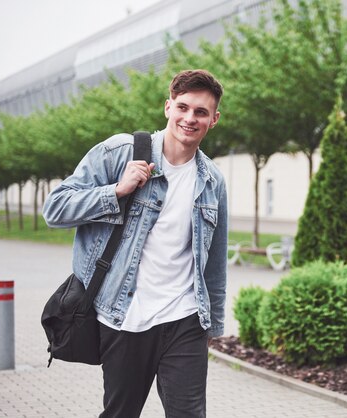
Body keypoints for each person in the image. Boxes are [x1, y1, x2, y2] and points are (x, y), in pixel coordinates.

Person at [43, 69, 227, 418]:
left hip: (185, 319)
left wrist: (211, 326)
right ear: (168, 107)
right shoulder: (118, 152)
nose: (190, 118)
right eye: (183, 107)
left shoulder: (212, 180)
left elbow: (214, 261)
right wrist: (115, 192)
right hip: (123, 316)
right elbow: (55, 209)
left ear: (214, 120)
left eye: (201, 112)